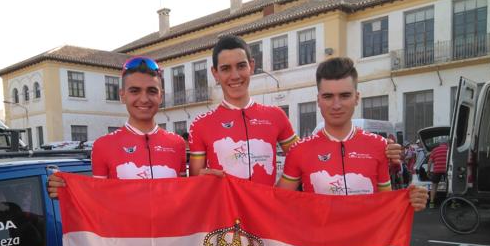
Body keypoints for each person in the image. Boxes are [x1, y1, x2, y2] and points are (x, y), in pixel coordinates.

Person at [188, 34, 404, 185]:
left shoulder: (275, 116)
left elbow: (309, 156)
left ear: (251, 66)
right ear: (215, 73)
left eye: (241, 66)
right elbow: (194, 182)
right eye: (226, 69)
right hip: (223, 225)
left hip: (267, 224)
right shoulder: (200, 125)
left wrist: (381, 152)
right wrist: (202, 179)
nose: (235, 75)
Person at [277, 57, 428, 211]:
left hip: (367, 235)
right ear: (318, 100)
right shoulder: (299, 150)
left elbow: (386, 205)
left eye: (344, 95)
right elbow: (276, 202)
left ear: (356, 98)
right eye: (328, 96)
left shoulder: (380, 146)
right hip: (318, 235)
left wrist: (408, 201)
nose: (336, 105)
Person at [47, 56, 186, 197]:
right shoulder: (103, 146)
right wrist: (67, 191)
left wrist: (207, 180)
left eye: (152, 91)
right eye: (135, 91)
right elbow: (98, 199)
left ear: (161, 96)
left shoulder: (178, 144)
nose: (144, 99)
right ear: (122, 95)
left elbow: (184, 197)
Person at [428, 139, 449, 208]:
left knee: (434, 186)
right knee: (449, 186)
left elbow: (430, 161)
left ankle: (431, 203)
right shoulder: (449, 149)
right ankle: (451, 203)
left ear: (439, 144)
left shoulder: (435, 150)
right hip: (446, 170)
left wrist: (428, 171)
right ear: (446, 144)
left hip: (437, 170)